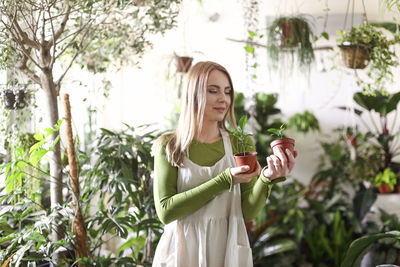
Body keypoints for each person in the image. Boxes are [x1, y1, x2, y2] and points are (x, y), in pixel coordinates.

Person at [152, 61, 296, 267]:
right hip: (182, 252)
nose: (223, 99)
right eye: (213, 91)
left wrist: (266, 178)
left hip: (226, 250)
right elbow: (166, 212)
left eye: (227, 92)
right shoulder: (170, 146)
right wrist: (225, 180)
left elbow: (246, 211)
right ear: (193, 95)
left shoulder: (241, 143)